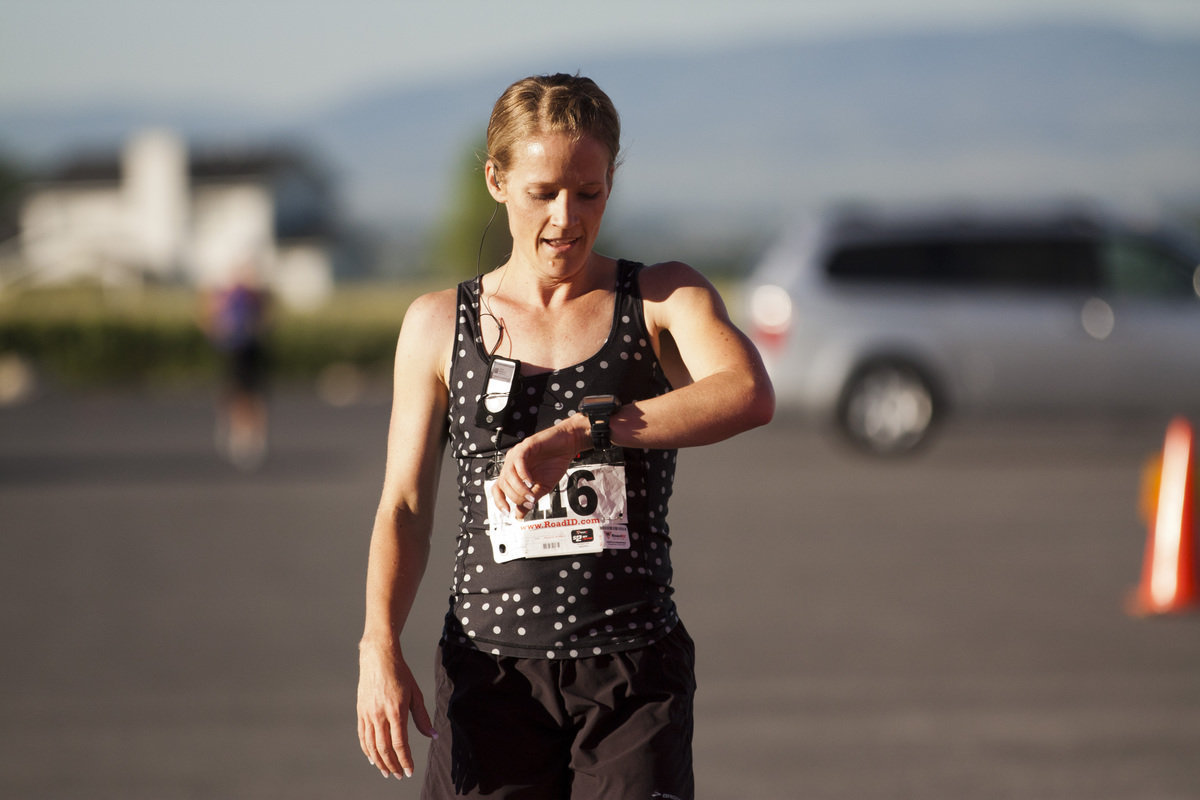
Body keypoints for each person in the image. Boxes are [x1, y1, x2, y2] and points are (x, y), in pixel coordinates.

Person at [356, 73, 774, 798]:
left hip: (632, 674)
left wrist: (587, 434)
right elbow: (404, 508)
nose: (566, 217)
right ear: (497, 179)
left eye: (590, 192)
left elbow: (748, 392)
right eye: (542, 191)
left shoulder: (660, 298)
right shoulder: (436, 324)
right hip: (488, 673)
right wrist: (377, 645)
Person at [202, 262, 271, 470]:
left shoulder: (254, 296)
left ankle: (253, 437)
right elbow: (210, 317)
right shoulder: (228, 296)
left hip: (250, 351)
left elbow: (267, 320)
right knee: (236, 393)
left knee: (252, 394)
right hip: (234, 351)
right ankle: (238, 434)